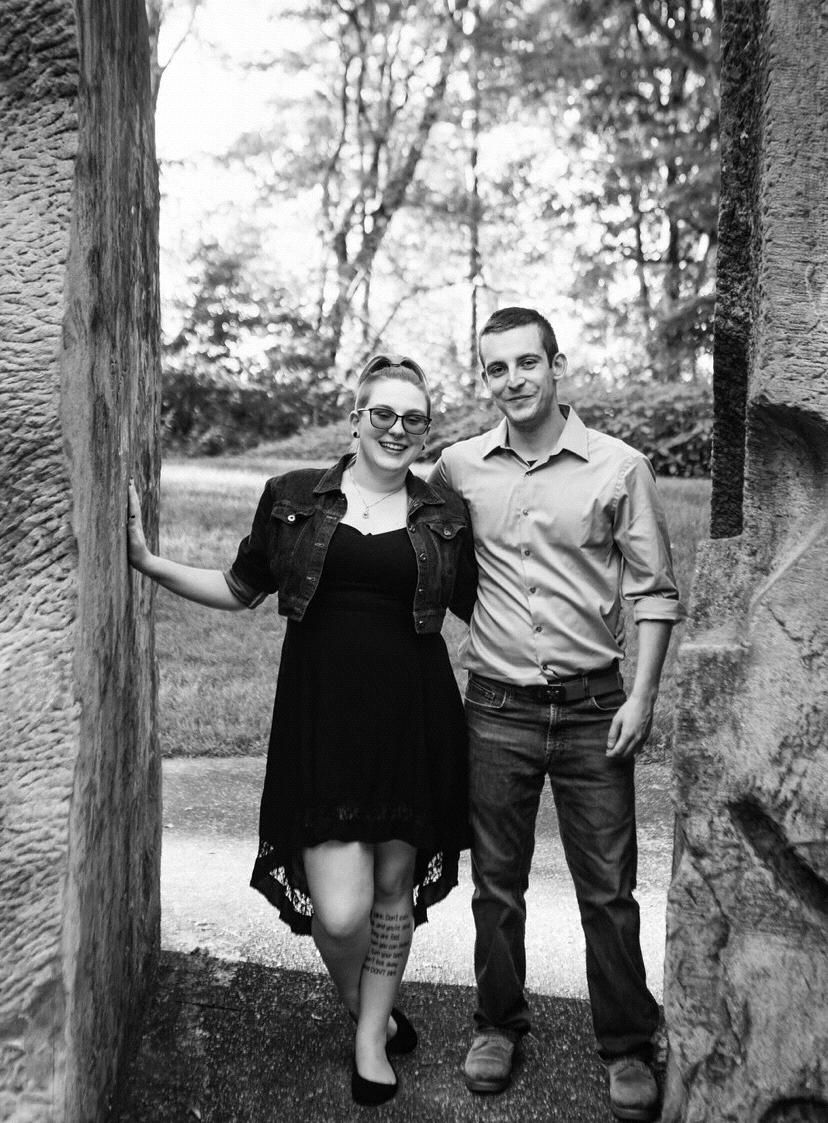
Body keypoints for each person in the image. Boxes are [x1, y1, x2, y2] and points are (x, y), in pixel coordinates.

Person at [127, 354, 476, 1107]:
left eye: (414, 419)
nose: (397, 429)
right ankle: (365, 1004)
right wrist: (148, 562)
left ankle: (370, 1036)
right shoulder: (291, 497)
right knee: (341, 912)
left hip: (414, 717)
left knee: (394, 887)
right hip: (322, 719)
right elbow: (239, 588)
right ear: (356, 419)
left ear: (426, 432)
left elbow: (489, 608)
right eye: (383, 414)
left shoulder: (445, 513)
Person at [429, 307, 685, 1123]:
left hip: (594, 707)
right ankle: (497, 1024)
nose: (513, 380)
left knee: (608, 888)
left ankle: (627, 1042)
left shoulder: (620, 466)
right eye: (496, 368)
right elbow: (420, 543)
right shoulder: (458, 468)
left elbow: (655, 592)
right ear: (486, 378)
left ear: (556, 364)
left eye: (527, 362)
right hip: (495, 705)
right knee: (496, 884)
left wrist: (642, 695)